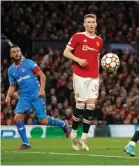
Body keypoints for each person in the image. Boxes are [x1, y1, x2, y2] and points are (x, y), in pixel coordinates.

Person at [5, 45, 70, 150]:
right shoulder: (11, 70)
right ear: (11, 55)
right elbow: (12, 85)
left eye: (18, 51)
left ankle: (63, 124)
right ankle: (26, 144)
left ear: (20, 52)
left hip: (37, 95)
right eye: (14, 52)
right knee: (17, 117)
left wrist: (42, 90)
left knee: (43, 121)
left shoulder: (29, 63)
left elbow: (42, 75)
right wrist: (8, 96)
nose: (16, 53)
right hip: (24, 97)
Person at [63, 14, 103, 151]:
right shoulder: (77, 36)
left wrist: (98, 76)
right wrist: (78, 60)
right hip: (80, 75)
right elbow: (66, 52)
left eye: (93, 22)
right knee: (80, 106)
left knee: (91, 106)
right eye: (88, 22)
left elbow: (97, 59)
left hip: (93, 77)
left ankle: (84, 138)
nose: (91, 24)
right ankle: (73, 134)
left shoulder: (99, 41)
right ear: (84, 24)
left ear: (96, 24)